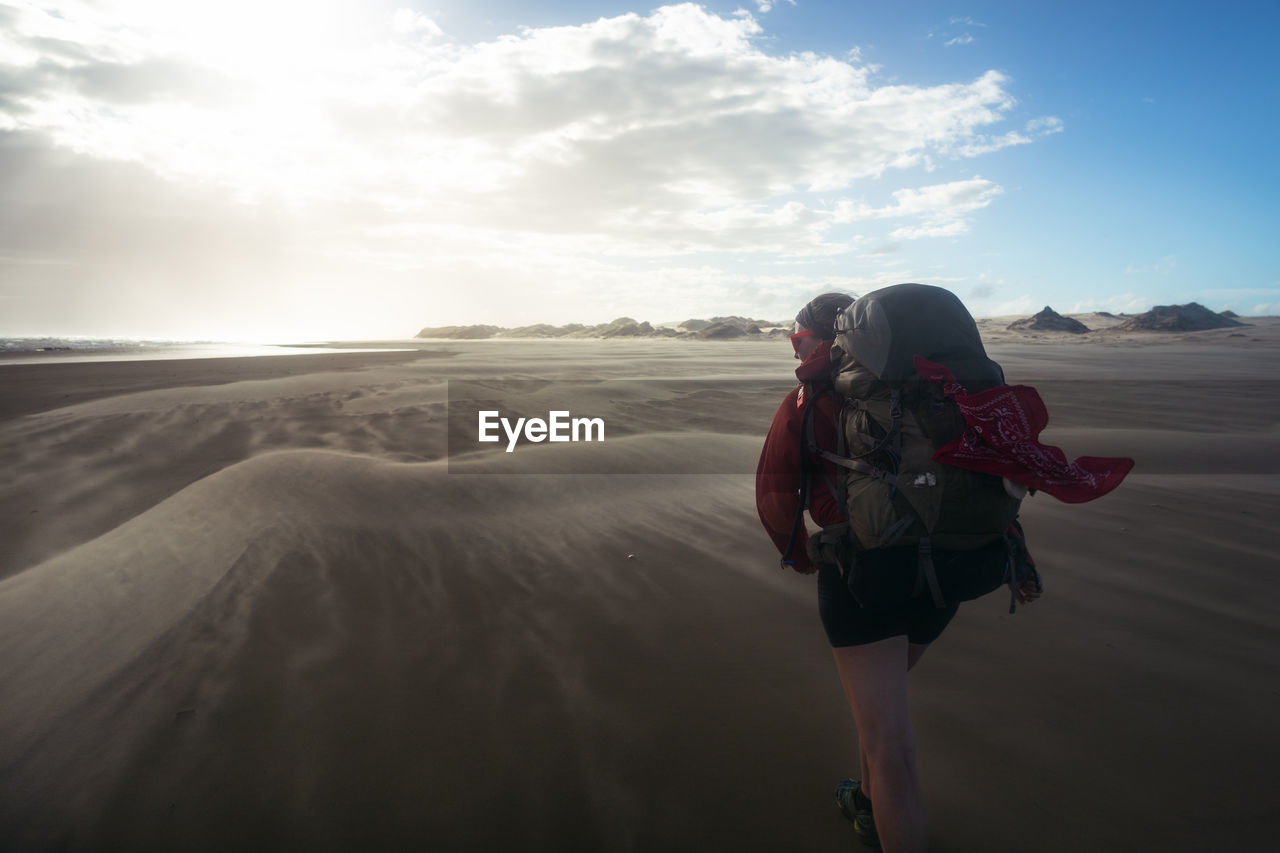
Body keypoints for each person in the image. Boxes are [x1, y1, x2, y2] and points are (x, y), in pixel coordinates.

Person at [756, 293, 1041, 853]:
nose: (800, 350)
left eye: (798, 340)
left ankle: (883, 813)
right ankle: (866, 803)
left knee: (891, 744)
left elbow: (773, 493)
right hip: (954, 569)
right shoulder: (941, 392)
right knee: (880, 708)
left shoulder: (809, 398)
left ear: (827, 338)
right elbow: (989, 478)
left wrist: (804, 556)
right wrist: (1018, 556)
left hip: (864, 572)